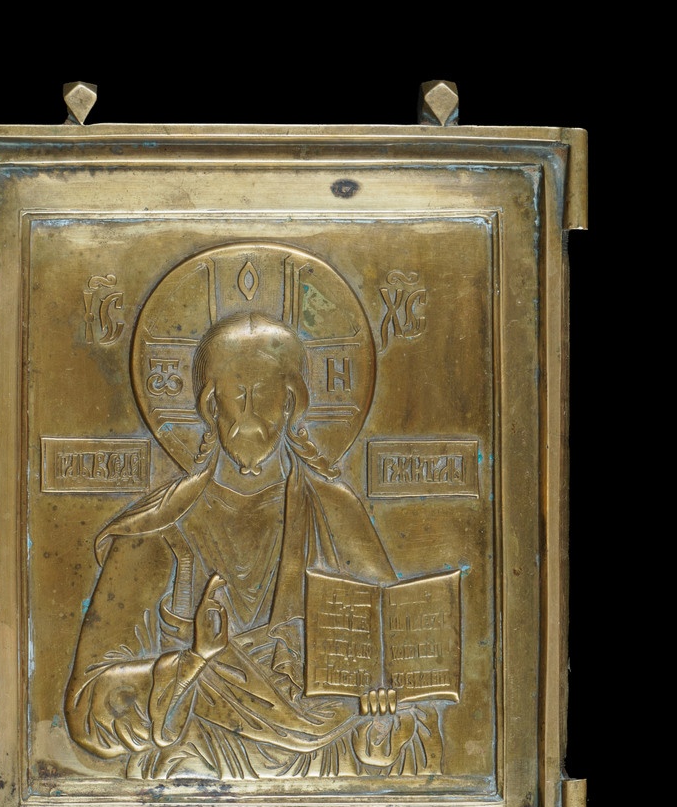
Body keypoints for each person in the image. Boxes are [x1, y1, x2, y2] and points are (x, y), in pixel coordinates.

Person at [64, 312, 442, 778]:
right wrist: (192, 661)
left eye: (263, 393)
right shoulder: (159, 528)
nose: (248, 412)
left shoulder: (334, 512)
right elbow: (87, 707)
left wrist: (382, 722)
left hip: (326, 774)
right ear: (209, 405)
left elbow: (403, 681)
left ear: (290, 402)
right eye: (235, 393)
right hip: (195, 766)